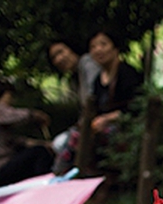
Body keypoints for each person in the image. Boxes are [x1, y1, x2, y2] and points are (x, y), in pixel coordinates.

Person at [52, 28, 143, 174]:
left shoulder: (127, 74)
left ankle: (70, 174)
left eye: (103, 44)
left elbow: (136, 108)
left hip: (125, 127)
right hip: (101, 127)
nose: (98, 50)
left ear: (115, 48)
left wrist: (108, 119)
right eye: (93, 47)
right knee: (77, 133)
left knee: (78, 137)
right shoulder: (97, 81)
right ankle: (65, 174)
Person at [0, 80, 53, 189]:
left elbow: (16, 141)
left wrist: (42, 143)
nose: (11, 102)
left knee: (36, 152)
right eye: (9, 97)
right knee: (40, 153)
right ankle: (46, 189)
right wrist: (36, 115)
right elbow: (16, 115)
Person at [49, 36, 101, 110]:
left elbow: (93, 95)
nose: (59, 59)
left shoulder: (87, 63)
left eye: (60, 52)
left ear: (72, 49)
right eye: (54, 57)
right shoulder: (73, 79)